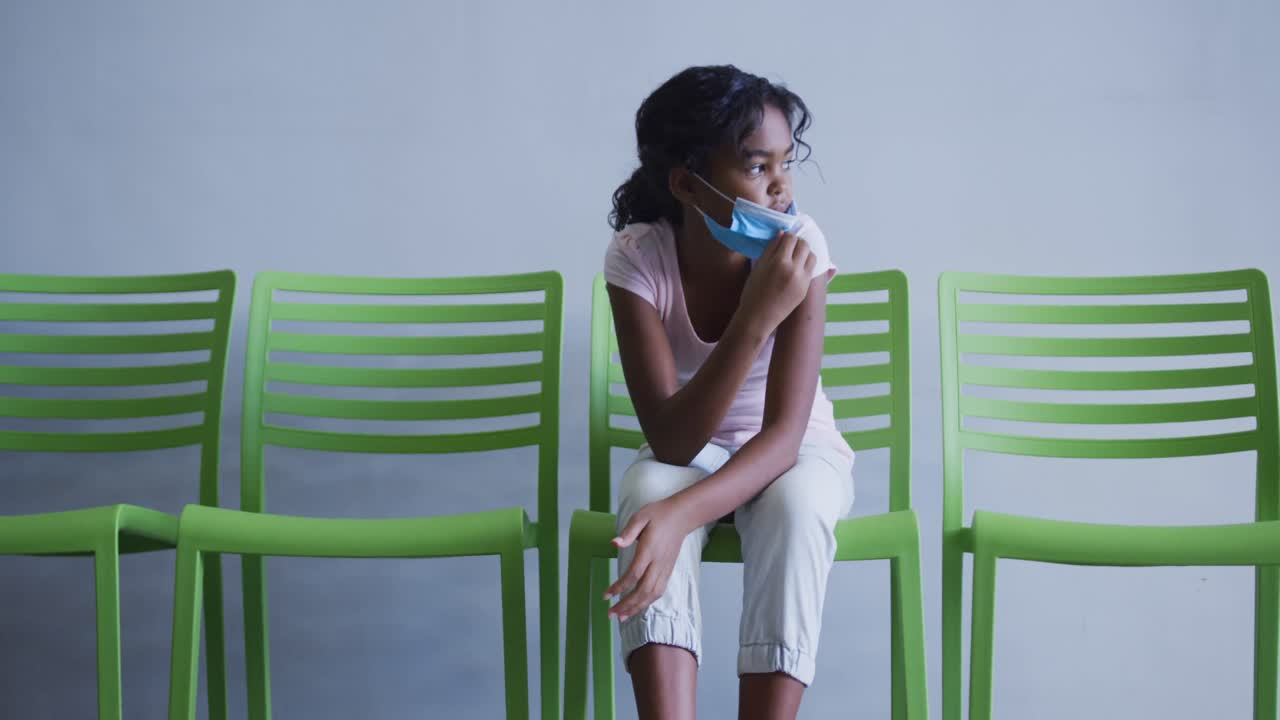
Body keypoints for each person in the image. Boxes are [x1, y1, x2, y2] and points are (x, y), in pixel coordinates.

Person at [601, 64, 857, 720]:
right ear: (687, 183)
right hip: (694, 447)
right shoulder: (636, 258)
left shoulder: (803, 248)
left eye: (784, 164)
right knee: (645, 492)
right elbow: (673, 439)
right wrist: (753, 320)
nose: (780, 188)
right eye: (755, 167)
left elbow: (782, 441)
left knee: (797, 506)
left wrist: (685, 514)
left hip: (795, 449)